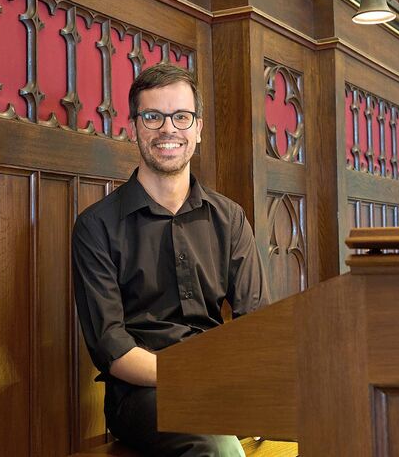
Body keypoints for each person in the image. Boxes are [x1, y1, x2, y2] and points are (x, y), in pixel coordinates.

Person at [72, 63, 269, 457]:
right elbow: (112, 348)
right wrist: (193, 380)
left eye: (181, 117)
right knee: (215, 445)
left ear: (198, 128)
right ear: (134, 128)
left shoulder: (229, 217)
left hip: (221, 382)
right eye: (152, 117)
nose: (168, 130)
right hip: (141, 395)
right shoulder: (96, 226)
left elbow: (256, 323)